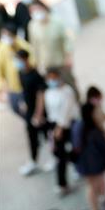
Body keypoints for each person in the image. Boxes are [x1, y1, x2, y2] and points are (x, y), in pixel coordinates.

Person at [43, 66, 78, 195]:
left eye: (54, 78)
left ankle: (65, 180)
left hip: (66, 125)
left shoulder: (67, 91)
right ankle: (62, 183)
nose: (52, 80)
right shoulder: (48, 92)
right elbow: (50, 112)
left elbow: (66, 110)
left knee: (70, 150)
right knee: (59, 154)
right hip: (54, 125)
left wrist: (60, 127)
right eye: (49, 78)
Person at [73, 102, 105, 210]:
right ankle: (97, 209)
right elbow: (104, 147)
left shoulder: (77, 126)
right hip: (95, 164)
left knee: (92, 185)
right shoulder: (94, 131)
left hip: (83, 163)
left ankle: (97, 208)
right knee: (96, 185)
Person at [26, 3, 75, 95]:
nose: (35, 12)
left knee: (70, 85)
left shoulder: (57, 21)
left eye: (37, 9)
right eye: (32, 11)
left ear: (43, 8)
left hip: (61, 62)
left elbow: (66, 40)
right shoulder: (32, 25)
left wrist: (69, 57)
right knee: (55, 89)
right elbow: (34, 45)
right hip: (46, 65)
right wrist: (36, 62)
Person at [14, 49, 47, 176]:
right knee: (32, 136)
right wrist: (23, 101)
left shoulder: (36, 75)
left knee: (47, 135)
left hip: (39, 111)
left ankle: (55, 158)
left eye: (19, 60)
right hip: (29, 111)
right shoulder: (20, 73)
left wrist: (38, 114)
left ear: (26, 59)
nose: (17, 62)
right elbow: (24, 89)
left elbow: (40, 95)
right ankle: (33, 161)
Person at [0, 25, 32, 119]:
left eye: (8, 35)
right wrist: (0, 87)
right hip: (11, 86)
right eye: (3, 35)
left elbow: (32, 61)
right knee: (15, 108)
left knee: (29, 108)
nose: (5, 38)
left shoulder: (23, 45)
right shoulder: (1, 47)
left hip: (26, 85)